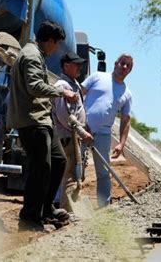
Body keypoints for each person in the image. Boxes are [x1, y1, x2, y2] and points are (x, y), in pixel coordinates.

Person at [6, 21, 78, 231]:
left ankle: (46, 209)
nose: (57, 49)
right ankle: (30, 217)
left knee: (57, 161)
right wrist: (62, 92)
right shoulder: (31, 56)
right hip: (32, 120)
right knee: (41, 168)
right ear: (50, 41)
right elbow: (35, 86)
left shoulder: (37, 54)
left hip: (42, 119)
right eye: (57, 44)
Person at [81, 54, 133, 208]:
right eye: (122, 63)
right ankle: (63, 202)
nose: (124, 67)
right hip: (82, 131)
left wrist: (121, 144)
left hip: (103, 135)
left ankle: (103, 206)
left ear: (130, 71)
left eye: (128, 66)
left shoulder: (127, 94)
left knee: (103, 172)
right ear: (116, 63)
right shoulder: (97, 77)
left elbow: (126, 120)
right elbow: (78, 95)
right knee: (75, 168)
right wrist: (80, 122)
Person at [52, 52, 93, 213]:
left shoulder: (74, 85)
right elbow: (65, 117)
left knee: (77, 176)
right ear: (66, 65)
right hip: (68, 138)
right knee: (70, 176)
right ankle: (68, 211)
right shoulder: (63, 86)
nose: (80, 68)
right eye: (76, 64)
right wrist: (82, 132)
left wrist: (85, 128)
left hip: (75, 137)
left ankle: (71, 209)